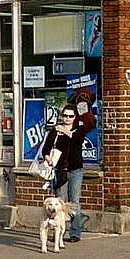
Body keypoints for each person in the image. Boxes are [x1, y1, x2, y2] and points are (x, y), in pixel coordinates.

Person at [42, 103, 85, 242]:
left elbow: (78, 139)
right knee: (60, 203)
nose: (67, 118)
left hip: (75, 170)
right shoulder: (55, 131)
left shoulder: (80, 128)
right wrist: (48, 159)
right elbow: (46, 149)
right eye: (65, 116)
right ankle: (58, 232)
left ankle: (75, 232)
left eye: (70, 116)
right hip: (60, 171)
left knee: (74, 202)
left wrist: (65, 131)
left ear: (75, 117)